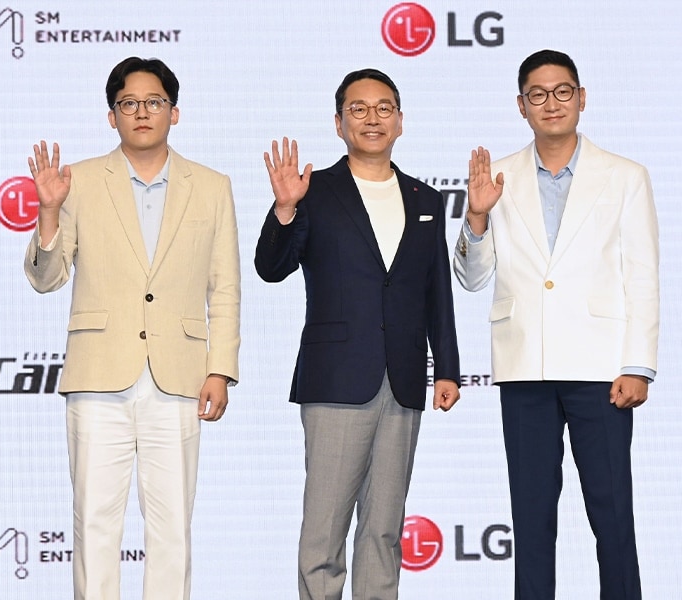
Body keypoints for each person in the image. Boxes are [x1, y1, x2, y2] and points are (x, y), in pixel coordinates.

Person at [23, 56, 240, 600]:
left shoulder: (212, 186)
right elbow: (47, 279)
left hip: (179, 378)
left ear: (174, 112)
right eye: (129, 103)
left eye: (154, 102)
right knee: (94, 523)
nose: (142, 112)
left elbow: (225, 288)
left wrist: (220, 369)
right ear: (111, 116)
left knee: (173, 531)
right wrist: (47, 213)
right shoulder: (76, 182)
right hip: (99, 377)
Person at [454, 49, 659, 600]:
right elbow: (472, 278)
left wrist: (638, 365)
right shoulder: (496, 177)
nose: (552, 103)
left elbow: (642, 276)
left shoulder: (625, 176)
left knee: (612, 515)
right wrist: (477, 216)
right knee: (531, 518)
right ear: (521, 105)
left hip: (602, 369)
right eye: (538, 94)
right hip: (525, 365)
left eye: (562, 91)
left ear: (582, 98)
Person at [254, 68, 461, 600]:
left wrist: (448, 369)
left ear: (400, 120)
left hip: (404, 378)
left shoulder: (425, 199)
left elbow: (436, 288)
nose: (372, 118)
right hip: (337, 379)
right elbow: (271, 268)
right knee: (324, 532)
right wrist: (284, 209)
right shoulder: (313, 191)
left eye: (383, 108)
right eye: (359, 109)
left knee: (384, 530)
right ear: (339, 122)